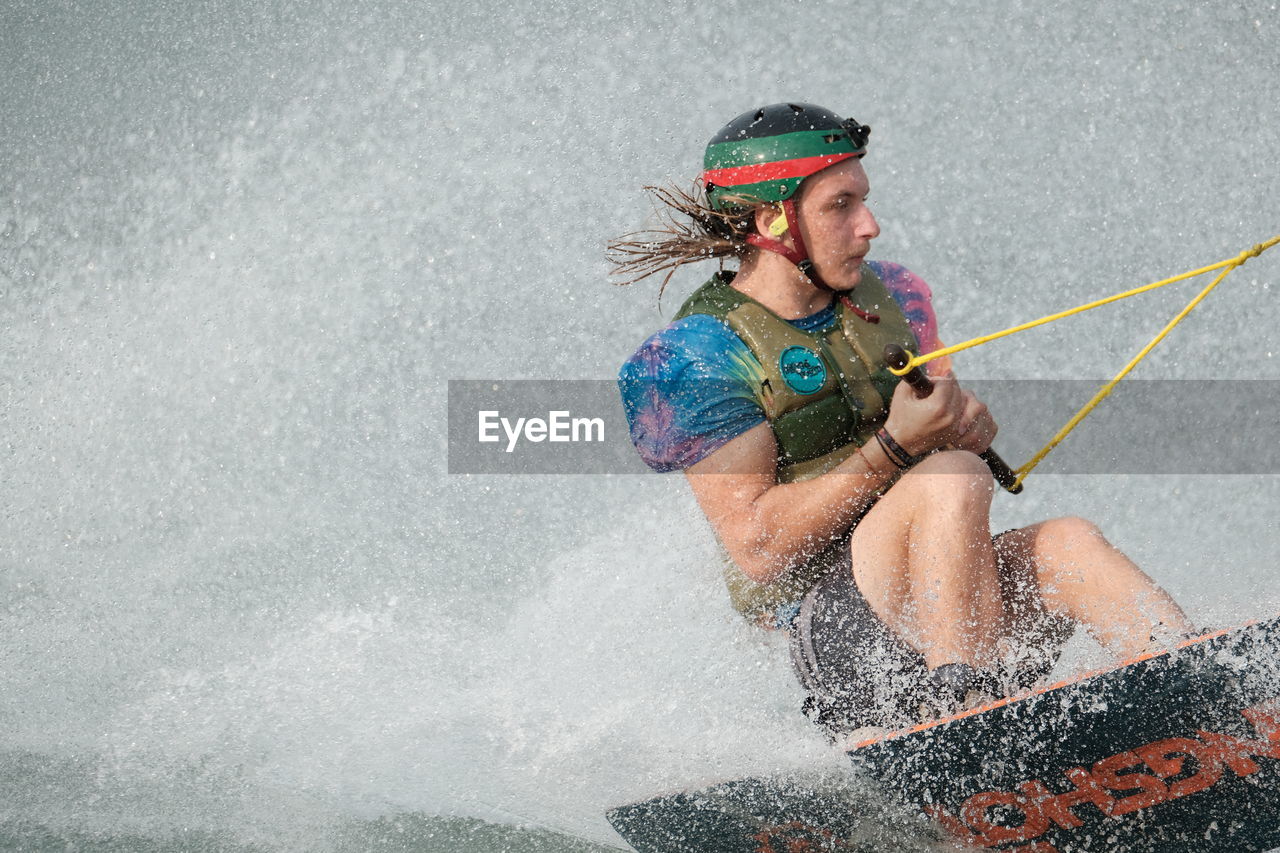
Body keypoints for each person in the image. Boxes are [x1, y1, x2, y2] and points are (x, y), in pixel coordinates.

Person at [612, 103, 1194, 741]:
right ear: (768, 219)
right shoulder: (693, 356)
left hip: (940, 595)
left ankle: (1209, 691)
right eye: (841, 206)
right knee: (949, 475)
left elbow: (948, 419)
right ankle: (961, 712)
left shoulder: (895, 295)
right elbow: (759, 550)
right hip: (833, 635)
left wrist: (961, 422)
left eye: (864, 201)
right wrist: (899, 446)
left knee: (1068, 543)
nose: (870, 226)